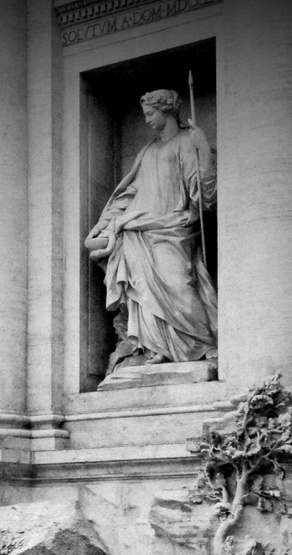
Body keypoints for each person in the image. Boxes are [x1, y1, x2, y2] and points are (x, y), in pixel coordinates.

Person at [84, 88, 218, 375]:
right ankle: (156, 346)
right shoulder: (148, 151)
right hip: (138, 229)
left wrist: (204, 148)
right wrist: (105, 222)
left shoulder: (186, 143)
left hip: (174, 227)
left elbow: (203, 194)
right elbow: (129, 193)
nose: (146, 120)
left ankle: (205, 343)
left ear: (166, 111)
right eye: (144, 115)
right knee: (142, 290)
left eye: (150, 114)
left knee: (179, 284)